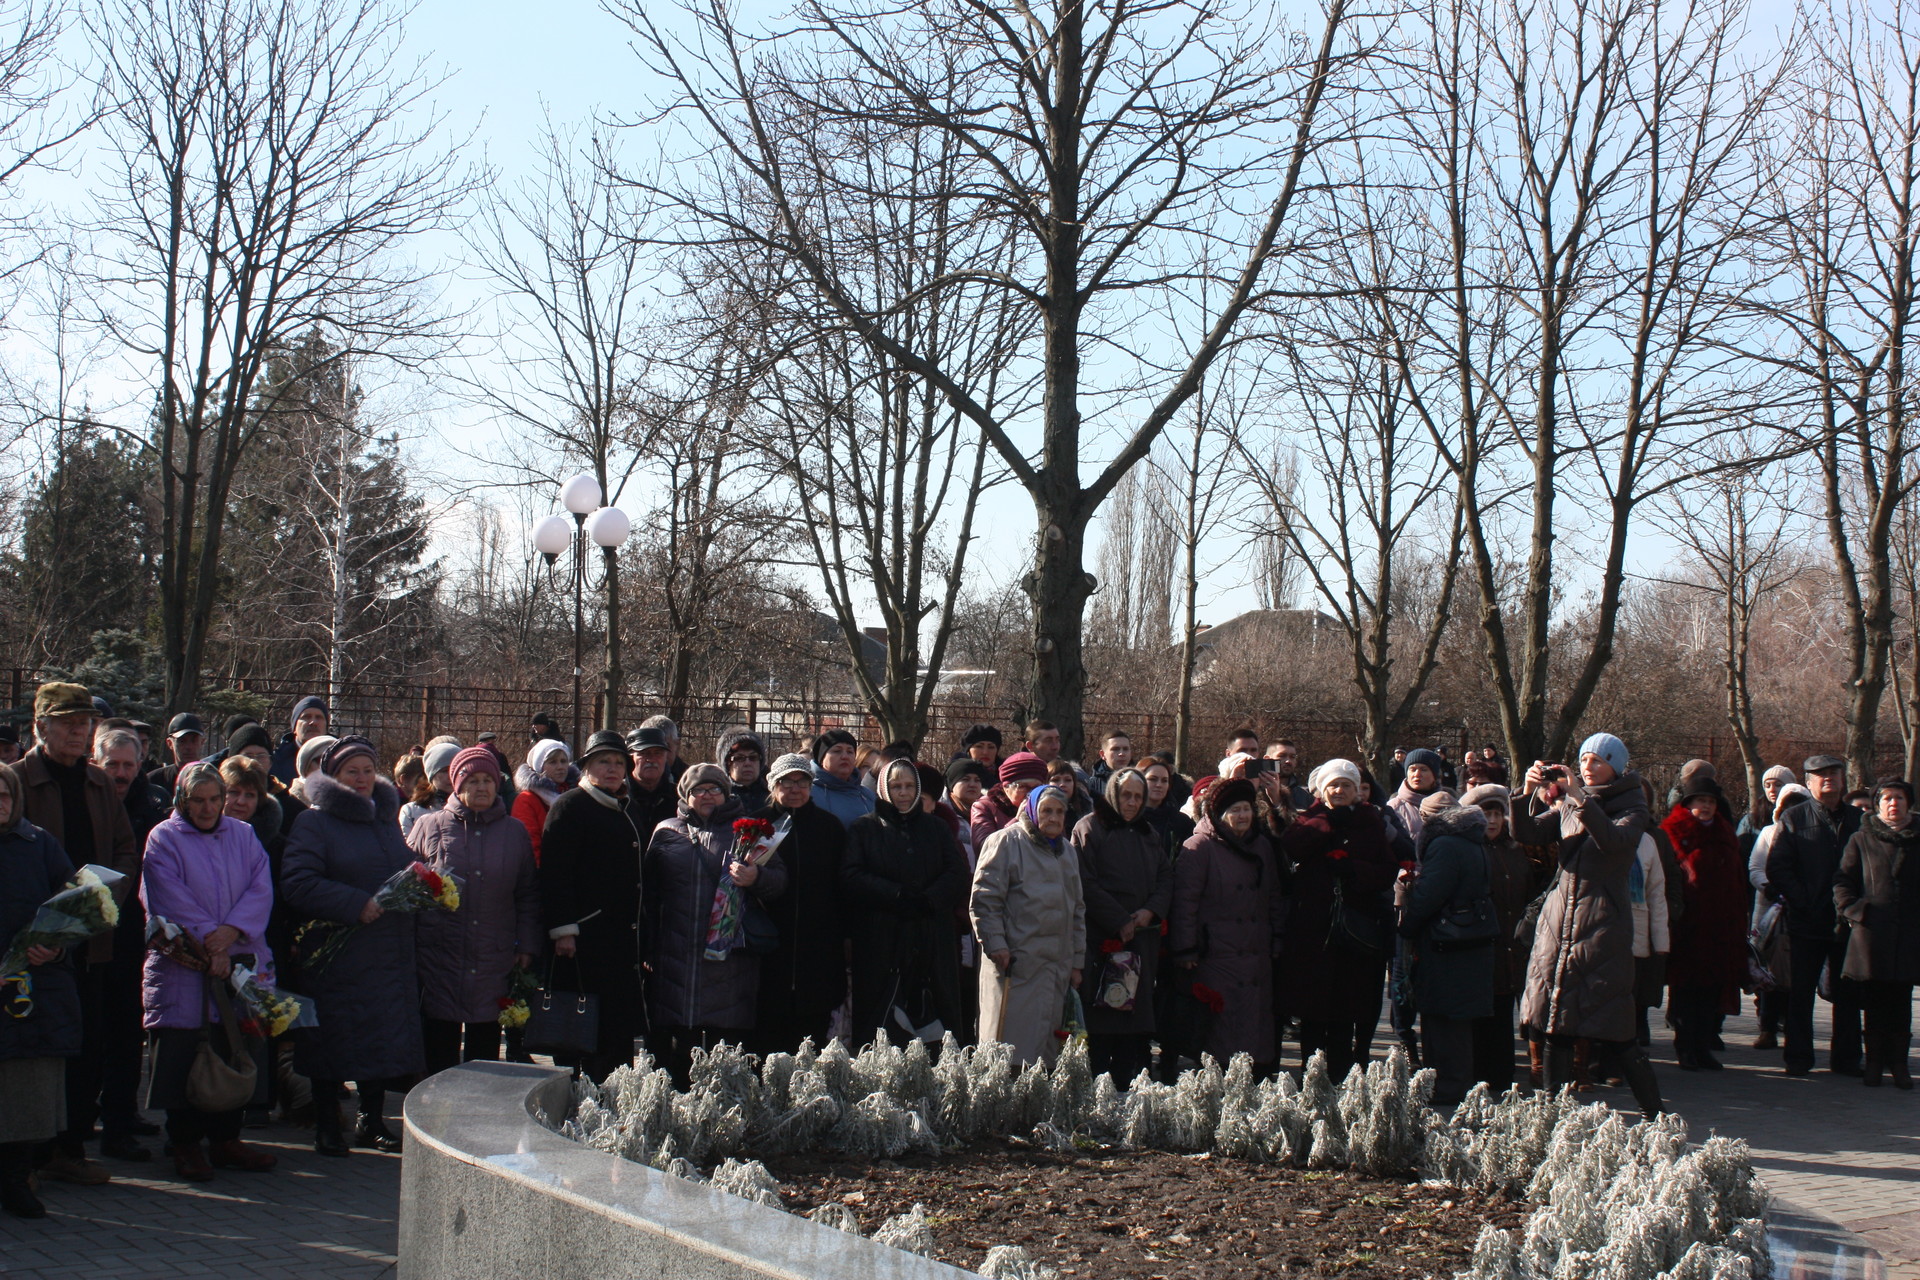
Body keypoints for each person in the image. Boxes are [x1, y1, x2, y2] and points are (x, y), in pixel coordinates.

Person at [14, 682, 140, 1187]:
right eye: (66, 721)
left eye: (84, 722)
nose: (77, 730)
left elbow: (126, 850)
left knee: (84, 1043)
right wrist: (37, 930)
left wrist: (102, 904)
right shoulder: (18, 780)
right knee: (29, 1050)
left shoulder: (97, 782)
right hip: (32, 944)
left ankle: (69, 1148)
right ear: (39, 726)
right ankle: (24, 1155)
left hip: (90, 940)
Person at [279, 736, 423, 1156]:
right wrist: (355, 904)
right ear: (333, 777)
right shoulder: (314, 821)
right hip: (337, 951)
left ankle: (371, 1120)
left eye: (366, 770)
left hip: (385, 948)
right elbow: (298, 882)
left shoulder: (383, 818)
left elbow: (398, 865)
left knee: (379, 1036)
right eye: (350, 772)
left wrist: (423, 884)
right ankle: (327, 1122)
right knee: (333, 1039)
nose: (361, 779)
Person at [138, 763, 277, 1181]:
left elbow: (261, 887)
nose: (207, 808)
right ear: (182, 799)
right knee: (184, 1055)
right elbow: (166, 896)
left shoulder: (244, 835)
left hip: (238, 957)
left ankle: (226, 1140)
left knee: (232, 1048)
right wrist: (207, 939)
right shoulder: (163, 839)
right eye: (197, 800)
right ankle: (183, 1143)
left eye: (214, 799)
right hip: (184, 965)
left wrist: (231, 932)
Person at [1514, 733, 1662, 1117]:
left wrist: (1579, 799)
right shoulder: (1569, 803)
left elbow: (1614, 841)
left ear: (1617, 765)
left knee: (1619, 1031)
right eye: (1583, 760)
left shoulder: (1632, 805)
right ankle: (1551, 1120)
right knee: (1554, 1024)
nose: (1587, 767)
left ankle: (1656, 1115)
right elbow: (1528, 833)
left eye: (1597, 760)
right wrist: (1525, 792)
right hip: (1559, 923)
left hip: (1602, 927)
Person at [643, 763, 787, 1086]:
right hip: (678, 957)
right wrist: (650, 946)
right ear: (685, 795)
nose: (707, 795)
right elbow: (648, 895)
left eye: (714, 789)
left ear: (726, 793)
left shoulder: (748, 833)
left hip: (730, 960)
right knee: (682, 1051)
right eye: (698, 790)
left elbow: (779, 882)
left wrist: (756, 877)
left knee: (729, 1053)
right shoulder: (666, 832)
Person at [408, 747, 540, 1075]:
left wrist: (527, 945)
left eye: (488, 780)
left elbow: (527, 894)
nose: (481, 787)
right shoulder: (429, 826)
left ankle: (477, 1118)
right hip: (440, 954)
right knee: (439, 1048)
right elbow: (406, 887)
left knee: (484, 1049)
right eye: (472, 781)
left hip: (493, 954)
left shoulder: (514, 833)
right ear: (456, 785)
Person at [0, 761, 88, 1219]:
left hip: (29, 991)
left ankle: (16, 1178)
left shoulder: (37, 844)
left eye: (5, 796)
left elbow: (78, 901)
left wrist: (53, 946)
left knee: (24, 1093)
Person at [540, 732, 651, 1082]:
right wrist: (564, 929)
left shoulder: (629, 809)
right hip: (585, 939)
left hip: (623, 940)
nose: (612, 769)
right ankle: (576, 1099)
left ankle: (615, 1098)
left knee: (617, 1028)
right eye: (604, 762)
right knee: (582, 1027)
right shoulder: (570, 806)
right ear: (586, 767)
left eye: (619, 763)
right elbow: (555, 874)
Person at [1277, 762, 1397, 1079]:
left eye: (1346, 786)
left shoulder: (1369, 821)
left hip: (1354, 934)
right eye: (1334, 786)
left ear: (1357, 789)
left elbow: (1386, 872)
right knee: (1314, 1013)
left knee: (1346, 1012)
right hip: (1314, 932)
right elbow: (1291, 847)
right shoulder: (1311, 819)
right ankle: (1311, 1075)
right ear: (1322, 789)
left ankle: (1342, 1077)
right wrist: (1326, 825)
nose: (1339, 791)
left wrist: (1355, 869)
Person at [842, 759, 969, 1048]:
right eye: (896, 786)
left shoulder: (936, 828)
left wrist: (929, 898)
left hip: (931, 935)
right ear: (884, 789)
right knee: (880, 1024)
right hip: (881, 936)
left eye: (909, 786)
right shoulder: (864, 829)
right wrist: (894, 894)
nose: (903, 792)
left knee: (938, 1018)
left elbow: (956, 872)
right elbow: (852, 875)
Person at [971, 784, 1085, 1065]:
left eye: (1060, 812)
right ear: (1032, 811)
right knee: (1008, 1054)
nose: (1055, 818)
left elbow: (1077, 910)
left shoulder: (1067, 852)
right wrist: (996, 945)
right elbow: (985, 900)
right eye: (1047, 811)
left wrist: (1076, 962)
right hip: (1016, 965)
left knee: (1046, 1057)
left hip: (1055, 968)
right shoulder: (1005, 842)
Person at [1072, 768, 1172, 1085]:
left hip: (1140, 940)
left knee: (1134, 1023)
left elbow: (1166, 878)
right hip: (1101, 939)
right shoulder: (1089, 828)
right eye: (1126, 795)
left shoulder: (1148, 834)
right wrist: (1117, 919)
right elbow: (1083, 881)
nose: (1131, 802)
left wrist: (1150, 911)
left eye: (1137, 797)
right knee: (1102, 1018)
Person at [1767, 754, 1865, 1077]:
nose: (1828, 779)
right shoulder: (1794, 818)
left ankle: (1847, 1059)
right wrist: (1803, 900)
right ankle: (1798, 1058)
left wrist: (1856, 905)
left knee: (1848, 994)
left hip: (1849, 921)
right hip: (1807, 919)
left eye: (1834, 773)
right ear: (1808, 783)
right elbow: (1778, 866)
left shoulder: (1859, 820)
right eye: (1820, 775)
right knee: (1801, 992)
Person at [1397, 799, 1497, 1107]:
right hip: (1470, 937)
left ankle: (1446, 1086)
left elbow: (1430, 895)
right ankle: (1455, 1082)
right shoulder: (1473, 841)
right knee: (1458, 1020)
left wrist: (1407, 925)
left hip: (1446, 942)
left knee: (1442, 1018)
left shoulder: (1445, 845)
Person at [748, 755, 849, 1056]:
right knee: (768, 1036)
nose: (795, 789)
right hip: (768, 944)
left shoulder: (829, 827)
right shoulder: (757, 824)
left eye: (802, 781)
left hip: (818, 946)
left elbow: (842, 886)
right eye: (786, 782)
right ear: (773, 786)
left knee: (811, 1037)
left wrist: (843, 934)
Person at [1661, 764, 1748, 1072]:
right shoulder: (1672, 833)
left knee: (1712, 990)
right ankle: (1685, 1047)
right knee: (1686, 990)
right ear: (1688, 804)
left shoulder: (1725, 833)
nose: (1706, 806)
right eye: (1700, 801)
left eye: (1710, 801)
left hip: (1721, 925)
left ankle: (1704, 1046)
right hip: (1688, 926)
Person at [1835, 778, 1920, 1089]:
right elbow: (1843, 879)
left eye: (1899, 798)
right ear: (1877, 804)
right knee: (1873, 999)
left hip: (1909, 932)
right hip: (1871, 932)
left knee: (1902, 999)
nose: (1893, 804)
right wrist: (1854, 911)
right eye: (1887, 799)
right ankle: (1872, 1062)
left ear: (1908, 802)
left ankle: (1899, 1063)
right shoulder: (1862, 838)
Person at [1748, 782, 1811, 1050]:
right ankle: (1768, 1027)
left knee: (1798, 975)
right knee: (1769, 973)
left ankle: (1793, 1029)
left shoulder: (1815, 836)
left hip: (1804, 913)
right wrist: (1771, 889)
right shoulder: (1769, 833)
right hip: (1771, 914)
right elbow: (1755, 867)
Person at [512, 738, 574, 865]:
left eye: (563, 761)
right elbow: (529, 846)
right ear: (540, 766)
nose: (560, 767)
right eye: (553, 762)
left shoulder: (575, 794)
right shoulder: (526, 800)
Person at [971, 751, 1046, 853]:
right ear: (1006, 787)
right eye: (1023, 786)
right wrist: (1017, 820)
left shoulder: (1046, 807)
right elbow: (984, 848)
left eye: (1036, 788)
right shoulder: (984, 807)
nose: (1030, 793)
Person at [624, 725, 682, 841]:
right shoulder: (619, 797)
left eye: (658, 753)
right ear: (631, 758)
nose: (651, 759)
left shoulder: (679, 798)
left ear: (666, 757)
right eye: (643, 753)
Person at [810, 729, 876, 828]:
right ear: (822, 758)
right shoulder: (808, 794)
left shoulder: (867, 795)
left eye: (850, 751)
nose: (845, 756)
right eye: (837, 751)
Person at [401, 739, 460, 838]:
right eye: (445, 771)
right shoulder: (411, 811)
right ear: (432, 775)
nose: (451, 776)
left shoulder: (473, 809)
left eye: (455, 770)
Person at [270, 697, 331, 785]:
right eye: (306, 717)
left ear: (326, 727)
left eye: (319, 717)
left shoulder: (338, 758)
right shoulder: (276, 761)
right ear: (294, 727)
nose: (313, 722)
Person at [1391, 749, 1444, 845]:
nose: (1417, 774)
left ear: (1434, 775)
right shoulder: (1393, 808)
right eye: (1413, 769)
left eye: (1424, 769)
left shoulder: (1448, 804)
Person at [1141, 758, 1195, 846]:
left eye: (1164, 780)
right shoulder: (1128, 819)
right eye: (1153, 779)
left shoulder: (1182, 823)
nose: (1159, 785)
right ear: (1140, 781)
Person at [716, 726, 771, 813]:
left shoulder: (773, 794)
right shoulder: (717, 795)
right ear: (727, 763)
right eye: (739, 758)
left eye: (753, 757)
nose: (747, 763)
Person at [156, 714, 206, 793]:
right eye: (182, 741)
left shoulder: (214, 780)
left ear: (202, 742)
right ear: (170, 743)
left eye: (194, 740)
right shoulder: (156, 781)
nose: (189, 747)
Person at [639, 714, 686, 785]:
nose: (660, 755)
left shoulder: (690, 779)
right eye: (648, 750)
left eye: (666, 747)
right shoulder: (626, 776)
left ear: (677, 745)